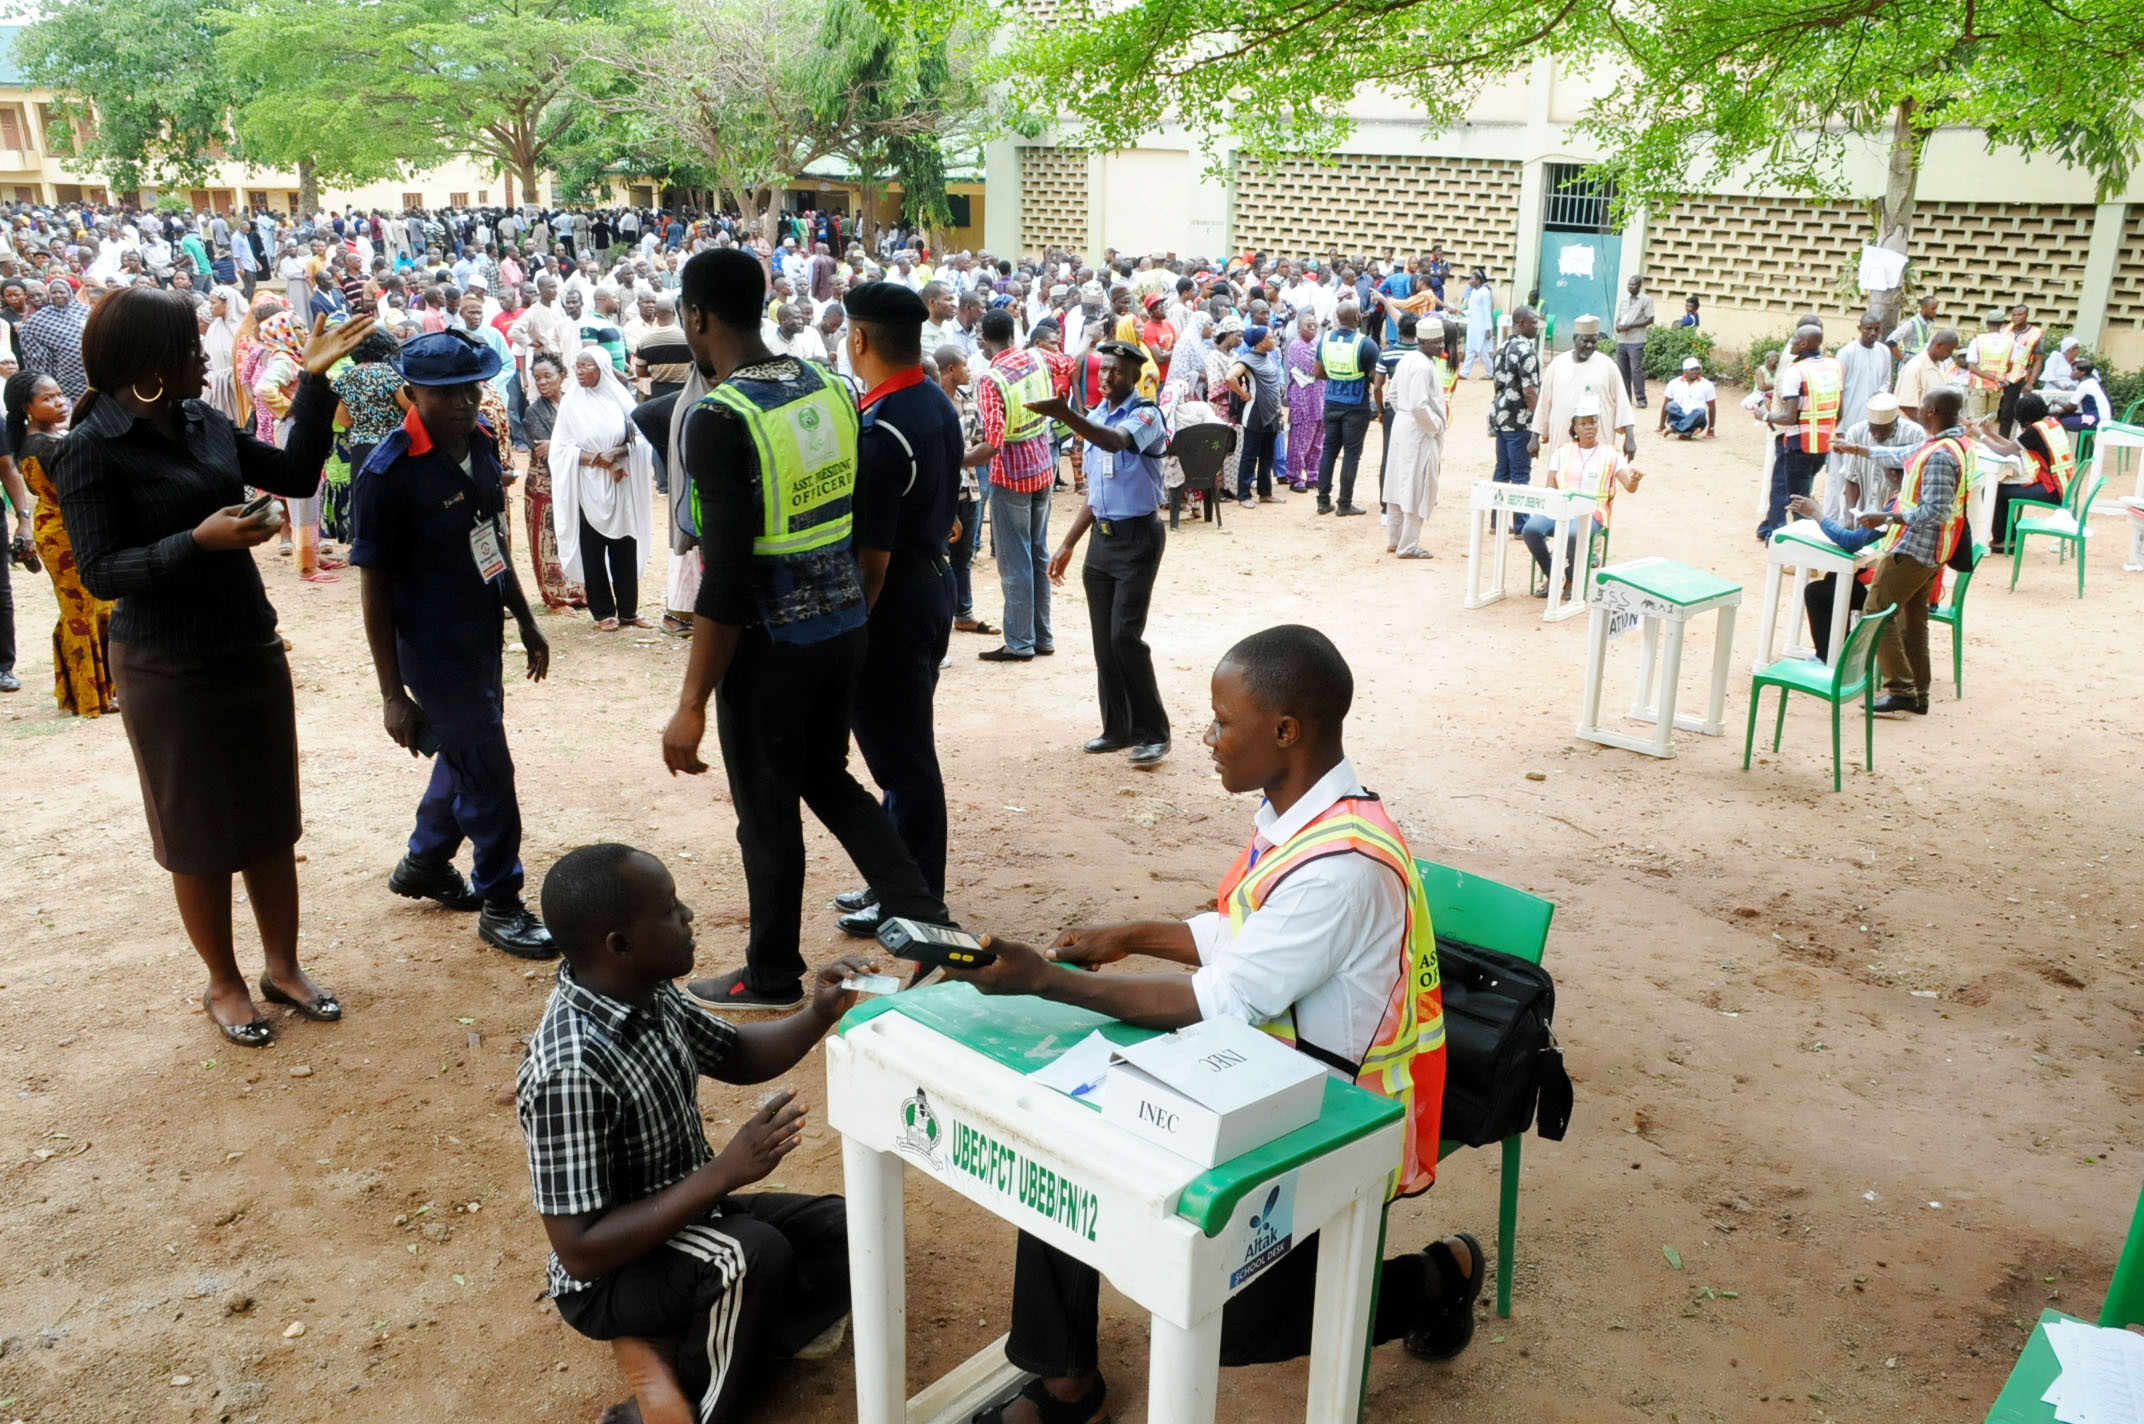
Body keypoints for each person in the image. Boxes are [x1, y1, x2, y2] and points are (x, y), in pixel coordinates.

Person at [944, 626, 1482, 1424]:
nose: (1209, 740)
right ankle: (1064, 1379)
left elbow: (1228, 998)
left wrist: (1047, 982)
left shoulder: (1343, 866)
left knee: (1233, 1326)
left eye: (1223, 723)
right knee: (1074, 1139)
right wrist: (1130, 935)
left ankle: (1441, 1277)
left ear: (1286, 732)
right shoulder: (1298, 814)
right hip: (1255, 1070)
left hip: (1333, 1110)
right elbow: (1243, 937)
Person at [58, 291, 370, 1046]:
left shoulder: (201, 421)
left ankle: (283, 968)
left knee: (270, 814)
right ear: (150, 365)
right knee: (197, 828)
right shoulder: (91, 447)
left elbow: (298, 475)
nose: (207, 355)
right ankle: (224, 984)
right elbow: (100, 572)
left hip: (245, 639)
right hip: (168, 659)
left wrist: (317, 382)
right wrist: (195, 542)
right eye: (191, 347)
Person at [659, 248, 951, 1012]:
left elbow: (723, 578)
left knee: (766, 812)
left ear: (697, 317)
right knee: (828, 779)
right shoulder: (828, 384)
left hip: (769, 648)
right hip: (845, 625)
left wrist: (693, 699)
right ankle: (928, 922)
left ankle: (771, 972)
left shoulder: (722, 418)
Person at [518, 843, 859, 1424]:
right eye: (671, 909)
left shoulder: (646, 993)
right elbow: (578, 1251)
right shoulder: (569, 1069)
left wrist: (820, 1014)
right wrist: (724, 1173)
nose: (690, 917)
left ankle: (674, 1345)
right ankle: (680, 1410)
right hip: (611, 1273)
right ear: (620, 944)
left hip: (693, 1220)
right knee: (752, 1257)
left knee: (853, 1233)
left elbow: (738, 1053)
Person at [353, 330, 555, 959]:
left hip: (481, 633)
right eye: (446, 393)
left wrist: (523, 616)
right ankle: (501, 902)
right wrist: (393, 693)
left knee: (466, 754)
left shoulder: (484, 444)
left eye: (472, 387)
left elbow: (489, 535)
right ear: (409, 393)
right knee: (489, 771)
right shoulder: (387, 473)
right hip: (432, 648)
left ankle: (424, 861)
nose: (465, 401)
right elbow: (374, 591)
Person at [830, 282, 964, 938]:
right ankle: (896, 883)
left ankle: (916, 901)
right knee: (900, 753)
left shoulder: (881, 428)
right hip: (932, 583)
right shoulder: (932, 400)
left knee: (902, 759)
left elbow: (871, 563)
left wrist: (848, 637)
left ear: (859, 339)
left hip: (895, 602)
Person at [1033, 340, 1172, 766]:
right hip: (1103, 541)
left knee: (1125, 638)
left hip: (1138, 539)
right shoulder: (1094, 415)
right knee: (1103, 644)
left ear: (1134, 375)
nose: (1108, 378)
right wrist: (1069, 542)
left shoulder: (1146, 413)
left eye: (1116, 372)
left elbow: (1116, 443)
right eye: (1103, 370)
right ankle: (1118, 728)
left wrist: (1066, 414)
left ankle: (1154, 733)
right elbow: (1096, 491)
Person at [1859, 384, 1971, 716]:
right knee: (1913, 620)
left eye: (1923, 405)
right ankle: (1918, 691)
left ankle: (1901, 689)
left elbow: (1936, 509)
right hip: (1935, 548)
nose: (1918, 409)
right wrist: (1855, 449)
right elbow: (1901, 454)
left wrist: (1889, 516)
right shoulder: (1951, 443)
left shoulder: (1939, 455)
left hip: (1915, 547)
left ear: (1932, 412)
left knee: (1875, 612)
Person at [7, 371, 112, 713]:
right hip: (64, 534)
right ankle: (88, 697)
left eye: (60, 394)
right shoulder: (45, 445)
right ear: (28, 407)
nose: (59, 402)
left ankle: (99, 690)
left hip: (66, 527)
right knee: (80, 610)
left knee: (92, 606)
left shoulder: (51, 437)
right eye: (48, 399)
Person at [972, 307, 1057, 661]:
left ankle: (1019, 642)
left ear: (984, 338)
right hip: (1043, 466)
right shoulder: (1038, 359)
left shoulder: (991, 379)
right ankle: (1042, 637)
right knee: (1037, 553)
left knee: (1015, 561)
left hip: (1012, 477)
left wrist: (956, 458)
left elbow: (992, 442)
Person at [551, 349, 655, 630]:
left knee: (625, 544)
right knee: (593, 548)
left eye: (587, 365)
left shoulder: (620, 399)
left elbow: (641, 438)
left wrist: (618, 451)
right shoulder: (571, 403)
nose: (580, 371)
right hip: (589, 484)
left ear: (603, 369)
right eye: (577, 365)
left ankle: (629, 612)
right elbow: (560, 450)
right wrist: (596, 459)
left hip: (621, 483)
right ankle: (603, 612)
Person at [1524, 393, 1643, 598]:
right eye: (1584, 423)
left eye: (1593, 423)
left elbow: (1629, 486)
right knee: (1531, 529)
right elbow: (1550, 487)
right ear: (1575, 427)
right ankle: (1552, 575)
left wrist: (1634, 480)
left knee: (1572, 533)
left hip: (1592, 512)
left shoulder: (1611, 453)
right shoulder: (1562, 451)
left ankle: (1571, 578)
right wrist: (1548, 507)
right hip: (1560, 507)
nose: (1589, 427)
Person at [516, 352, 588, 612]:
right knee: (548, 539)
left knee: (575, 536)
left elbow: (587, 439)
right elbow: (544, 454)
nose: (542, 382)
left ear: (562, 376)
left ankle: (580, 592)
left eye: (548, 376)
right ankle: (556, 597)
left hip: (574, 480)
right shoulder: (533, 413)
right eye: (537, 378)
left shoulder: (575, 404)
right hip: (545, 486)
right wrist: (574, 449)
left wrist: (557, 445)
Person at [1760, 324, 1841, 542]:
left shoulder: (1796, 372)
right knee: (1803, 493)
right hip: (1823, 444)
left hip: (1799, 445)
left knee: (1798, 502)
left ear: (1804, 344)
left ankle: (1799, 551)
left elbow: (1788, 417)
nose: (1791, 343)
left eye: (1794, 339)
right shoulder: (1834, 367)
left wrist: (1764, 415)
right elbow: (1838, 410)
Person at [1529, 314, 1636, 466]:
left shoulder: (1608, 366)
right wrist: (1534, 438)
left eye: (1594, 341)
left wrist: (1630, 439)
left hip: (1599, 441)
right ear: (1574, 338)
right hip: (1563, 440)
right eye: (1585, 341)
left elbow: (1623, 405)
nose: (1589, 346)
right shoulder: (1557, 365)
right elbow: (1543, 405)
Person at [1381, 316, 1444, 558]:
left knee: (1398, 483)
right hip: (1419, 429)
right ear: (1423, 342)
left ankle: (1395, 540)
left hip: (1403, 426)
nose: (1440, 346)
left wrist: (1405, 417)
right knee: (1416, 486)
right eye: (1436, 342)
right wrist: (1435, 425)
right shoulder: (1422, 366)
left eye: (1441, 341)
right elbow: (1419, 405)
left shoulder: (1408, 359)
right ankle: (1407, 546)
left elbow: (1394, 396)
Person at [1980, 393, 2074, 553]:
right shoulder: (2052, 423)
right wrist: (1991, 434)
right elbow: (2017, 447)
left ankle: (2005, 540)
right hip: (2063, 484)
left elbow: (2004, 451)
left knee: (1995, 491)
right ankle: (2008, 537)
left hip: (2053, 490)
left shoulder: (2036, 431)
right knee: (2002, 489)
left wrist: (1980, 436)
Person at [1311, 301, 1379, 516]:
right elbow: (1376, 377)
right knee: (1351, 453)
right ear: (1358, 317)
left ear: (1338, 318)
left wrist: (1337, 378)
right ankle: (1344, 503)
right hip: (1356, 404)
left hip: (1331, 401)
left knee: (1329, 451)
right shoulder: (1366, 344)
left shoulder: (1326, 339)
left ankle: (1323, 501)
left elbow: (1318, 372)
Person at [1824, 391, 1925, 524]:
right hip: (1863, 511)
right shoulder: (1856, 433)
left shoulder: (1915, 435)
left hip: (1897, 513)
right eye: (1873, 430)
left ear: (1895, 421)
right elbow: (1851, 478)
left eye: (1884, 431)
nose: (1877, 435)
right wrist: (1849, 516)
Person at [1488, 305, 1543, 533]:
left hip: (1501, 416)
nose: (1537, 326)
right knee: (1520, 474)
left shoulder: (1502, 347)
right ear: (1521, 323)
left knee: (1502, 471)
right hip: (1519, 420)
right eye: (1533, 322)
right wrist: (1540, 422)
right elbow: (1530, 391)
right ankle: (1521, 525)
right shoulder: (1526, 352)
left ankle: (1496, 522)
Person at [1227, 322, 1284, 504]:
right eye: (1270, 337)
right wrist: (1243, 394)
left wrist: (1279, 410)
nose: (1274, 340)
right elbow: (1230, 377)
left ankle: (1265, 493)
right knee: (1250, 454)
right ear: (1260, 342)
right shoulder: (1248, 359)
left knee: (1268, 455)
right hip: (1255, 413)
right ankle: (1244, 495)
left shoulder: (1270, 356)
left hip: (1272, 413)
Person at [20, 277, 88, 399]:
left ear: (69, 292)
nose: (58, 296)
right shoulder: (41, 318)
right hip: (67, 375)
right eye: (54, 292)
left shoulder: (84, 310)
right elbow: (26, 332)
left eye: (62, 292)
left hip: (90, 369)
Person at [1282, 309, 1324, 493]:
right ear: (1299, 328)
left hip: (1320, 398)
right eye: (1308, 326)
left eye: (1315, 325)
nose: (1313, 328)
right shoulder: (1296, 346)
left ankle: (1313, 474)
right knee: (1300, 439)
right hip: (1303, 399)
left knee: (1317, 439)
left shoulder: (1317, 342)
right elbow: (1314, 368)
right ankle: (1295, 475)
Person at [1892, 327, 1960, 431]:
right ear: (1938, 345)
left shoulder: (1939, 365)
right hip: (1913, 432)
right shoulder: (1914, 368)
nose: (1950, 355)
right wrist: (1931, 427)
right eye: (1948, 351)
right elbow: (1907, 407)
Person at [1613, 274, 1655, 408]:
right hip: (1622, 340)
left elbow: (1650, 319)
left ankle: (1641, 399)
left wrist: (1630, 326)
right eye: (1629, 284)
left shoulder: (1646, 300)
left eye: (1633, 284)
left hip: (1636, 340)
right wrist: (1618, 326)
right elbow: (1620, 318)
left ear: (1639, 285)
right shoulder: (1624, 301)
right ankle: (1626, 398)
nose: (1630, 287)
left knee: (1635, 369)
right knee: (1623, 370)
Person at [1656, 357, 1716, 438]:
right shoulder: (1674, 383)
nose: (1695, 371)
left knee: (1700, 411)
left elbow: (1712, 407)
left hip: (1697, 419)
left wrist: (1711, 429)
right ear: (1684, 371)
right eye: (1692, 369)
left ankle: (1674, 428)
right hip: (1677, 417)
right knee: (1670, 405)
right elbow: (1665, 404)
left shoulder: (1707, 384)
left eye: (1697, 369)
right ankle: (1689, 430)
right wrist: (1661, 426)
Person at [1458, 267, 1494, 379]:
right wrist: (1462, 312)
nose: (1470, 281)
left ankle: (1491, 372)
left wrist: (1488, 329)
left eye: (1472, 278)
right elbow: (1472, 310)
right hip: (1472, 326)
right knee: (1469, 349)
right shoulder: (1473, 292)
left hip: (1481, 327)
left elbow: (1487, 311)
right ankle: (1464, 373)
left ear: (1478, 280)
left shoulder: (1485, 292)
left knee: (1481, 351)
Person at [1886, 294, 1940, 363]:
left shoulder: (1929, 323)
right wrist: (1904, 359)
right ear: (1923, 307)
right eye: (1932, 309)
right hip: (1910, 364)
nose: (1935, 311)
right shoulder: (1911, 324)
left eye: (1936, 309)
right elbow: (1890, 341)